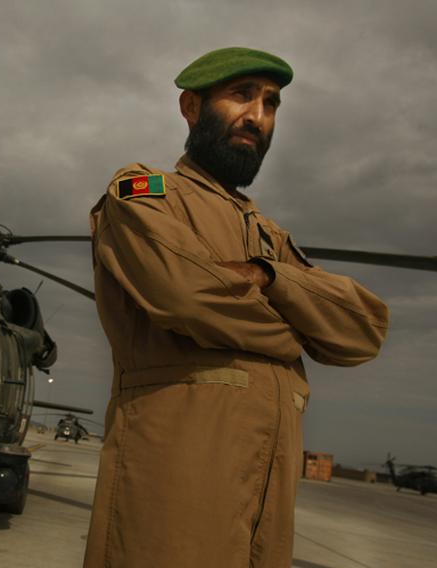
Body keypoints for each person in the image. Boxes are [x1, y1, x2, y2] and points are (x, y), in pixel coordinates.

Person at [83, 47, 389, 567]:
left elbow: (362, 331)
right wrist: (295, 333)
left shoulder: (271, 238)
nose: (258, 116)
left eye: (270, 104)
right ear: (192, 108)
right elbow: (187, 294)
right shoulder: (146, 194)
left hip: (266, 509)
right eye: (241, 96)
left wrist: (268, 276)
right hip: (176, 494)